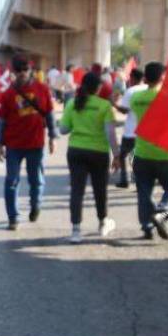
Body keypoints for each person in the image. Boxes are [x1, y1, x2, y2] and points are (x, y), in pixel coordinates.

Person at [0, 55, 56, 230]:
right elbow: (1, 120)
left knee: (36, 180)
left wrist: (52, 137)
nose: (22, 73)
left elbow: (49, 114)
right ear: (13, 72)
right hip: (13, 145)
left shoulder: (42, 89)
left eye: (25, 70)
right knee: (11, 182)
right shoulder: (8, 94)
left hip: (36, 144)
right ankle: (13, 218)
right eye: (18, 70)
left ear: (30, 71)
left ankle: (36, 205)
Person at [59, 71, 117, 243]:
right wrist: (117, 154)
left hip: (76, 151)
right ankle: (102, 223)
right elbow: (110, 134)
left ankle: (76, 231)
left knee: (77, 190)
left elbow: (63, 130)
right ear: (98, 88)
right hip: (99, 152)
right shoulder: (104, 105)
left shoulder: (72, 103)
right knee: (100, 189)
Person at [130, 61, 168, 241]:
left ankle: (147, 227)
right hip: (166, 152)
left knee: (144, 191)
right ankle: (163, 211)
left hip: (142, 151)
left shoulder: (136, 98)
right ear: (162, 77)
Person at [114, 68, 144, 188]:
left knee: (123, 155)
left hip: (131, 131)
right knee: (140, 158)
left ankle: (124, 180)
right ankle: (139, 182)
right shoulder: (149, 90)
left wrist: (113, 104)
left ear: (133, 78)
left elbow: (124, 110)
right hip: (146, 132)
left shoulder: (131, 91)